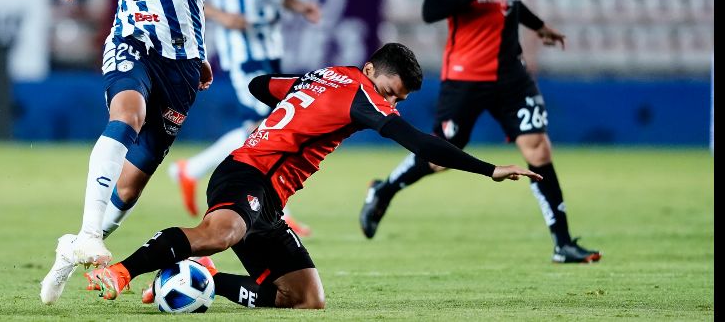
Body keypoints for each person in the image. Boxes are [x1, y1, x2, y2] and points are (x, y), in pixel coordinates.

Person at [86, 43, 542, 309]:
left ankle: (188, 276)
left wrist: (296, 111)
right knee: (221, 231)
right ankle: (122, 271)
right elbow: (421, 143)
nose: (390, 105)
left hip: (270, 198)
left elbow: (259, 85)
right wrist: (489, 169)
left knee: (303, 298)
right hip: (248, 174)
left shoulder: (326, 77)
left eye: (396, 99)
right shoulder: (361, 94)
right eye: (389, 93)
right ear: (370, 74)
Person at [359, 0, 602, 264]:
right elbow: (431, 9)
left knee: (538, 147)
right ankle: (384, 191)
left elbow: (510, 3)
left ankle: (563, 242)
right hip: (466, 77)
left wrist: (538, 26)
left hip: (511, 75)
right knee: (440, 159)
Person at [40, 0, 213, 305]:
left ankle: (74, 244)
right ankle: (91, 235)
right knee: (127, 115)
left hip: (179, 61)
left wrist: (197, 53)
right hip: (131, 43)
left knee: (132, 184)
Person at [166, 0, 320, 236]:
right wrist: (222, 16)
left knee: (271, 127)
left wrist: (300, 5)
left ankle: (193, 171)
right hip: (241, 51)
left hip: (273, 45)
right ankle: (275, 208)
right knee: (265, 128)